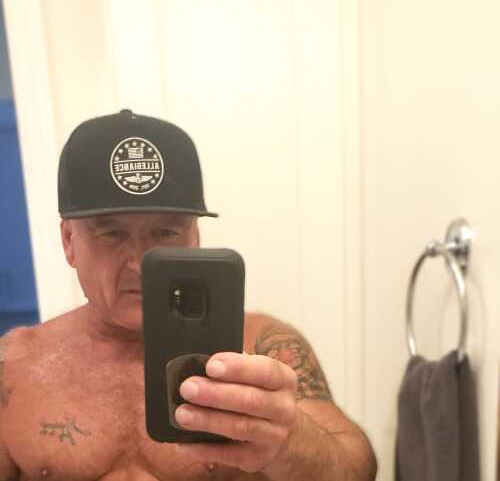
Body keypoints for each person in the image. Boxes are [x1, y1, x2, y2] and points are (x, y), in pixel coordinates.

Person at [0, 110, 377, 480]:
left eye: (165, 232)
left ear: (195, 237)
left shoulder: (263, 349)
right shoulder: (14, 367)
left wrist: (291, 441)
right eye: (111, 233)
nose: (139, 263)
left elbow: (357, 469)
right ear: (69, 241)